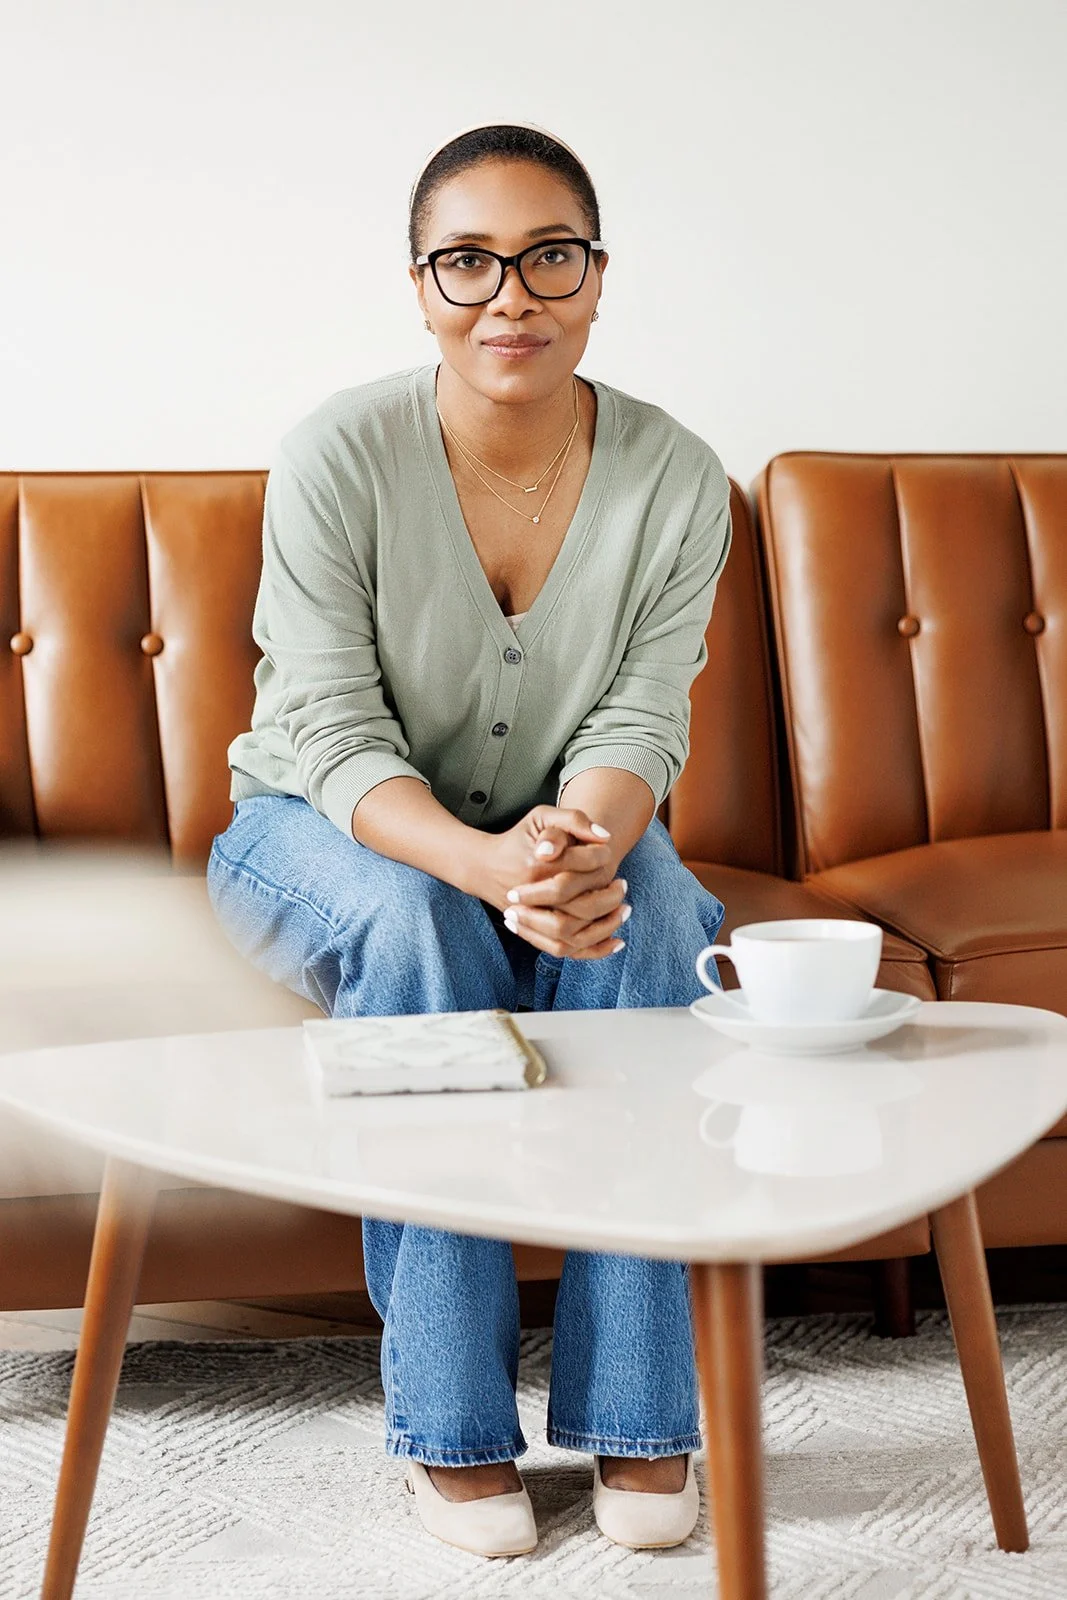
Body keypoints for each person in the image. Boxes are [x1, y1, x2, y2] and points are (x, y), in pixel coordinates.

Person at [206, 119, 732, 1560]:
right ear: (421, 284)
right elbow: (321, 727)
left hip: (551, 834)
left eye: (547, 255)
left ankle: (637, 1415)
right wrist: (485, 868)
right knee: (415, 923)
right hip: (309, 834)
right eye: (468, 260)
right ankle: (446, 1429)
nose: (511, 295)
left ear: (598, 275)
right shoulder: (337, 452)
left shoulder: (680, 475)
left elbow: (641, 717)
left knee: (671, 927)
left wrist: (578, 846)